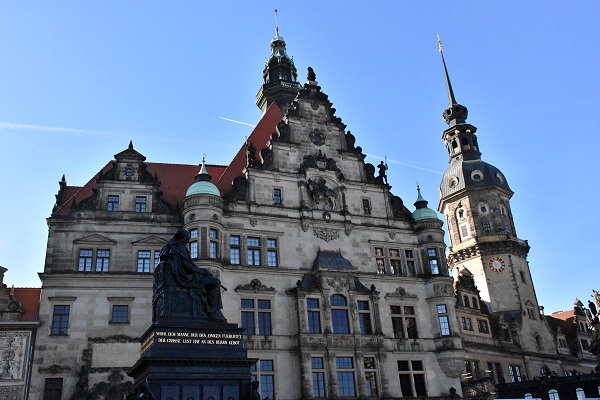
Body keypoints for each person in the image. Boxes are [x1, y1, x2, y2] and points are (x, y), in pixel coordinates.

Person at [159, 229, 226, 321]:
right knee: (215, 282)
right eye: (187, 238)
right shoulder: (179, 247)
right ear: (181, 238)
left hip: (182, 275)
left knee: (209, 281)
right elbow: (187, 266)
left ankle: (211, 310)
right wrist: (202, 271)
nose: (188, 241)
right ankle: (212, 312)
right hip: (185, 277)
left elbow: (163, 257)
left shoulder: (170, 246)